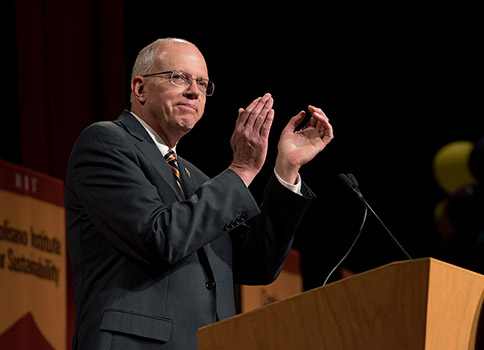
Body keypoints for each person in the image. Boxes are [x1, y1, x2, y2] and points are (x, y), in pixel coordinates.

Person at [65, 37, 333, 350]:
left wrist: (286, 169)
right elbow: (158, 237)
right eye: (178, 77)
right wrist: (242, 170)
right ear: (139, 88)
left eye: (203, 83)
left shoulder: (196, 179)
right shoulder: (105, 143)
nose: (194, 91)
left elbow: (256, 262)